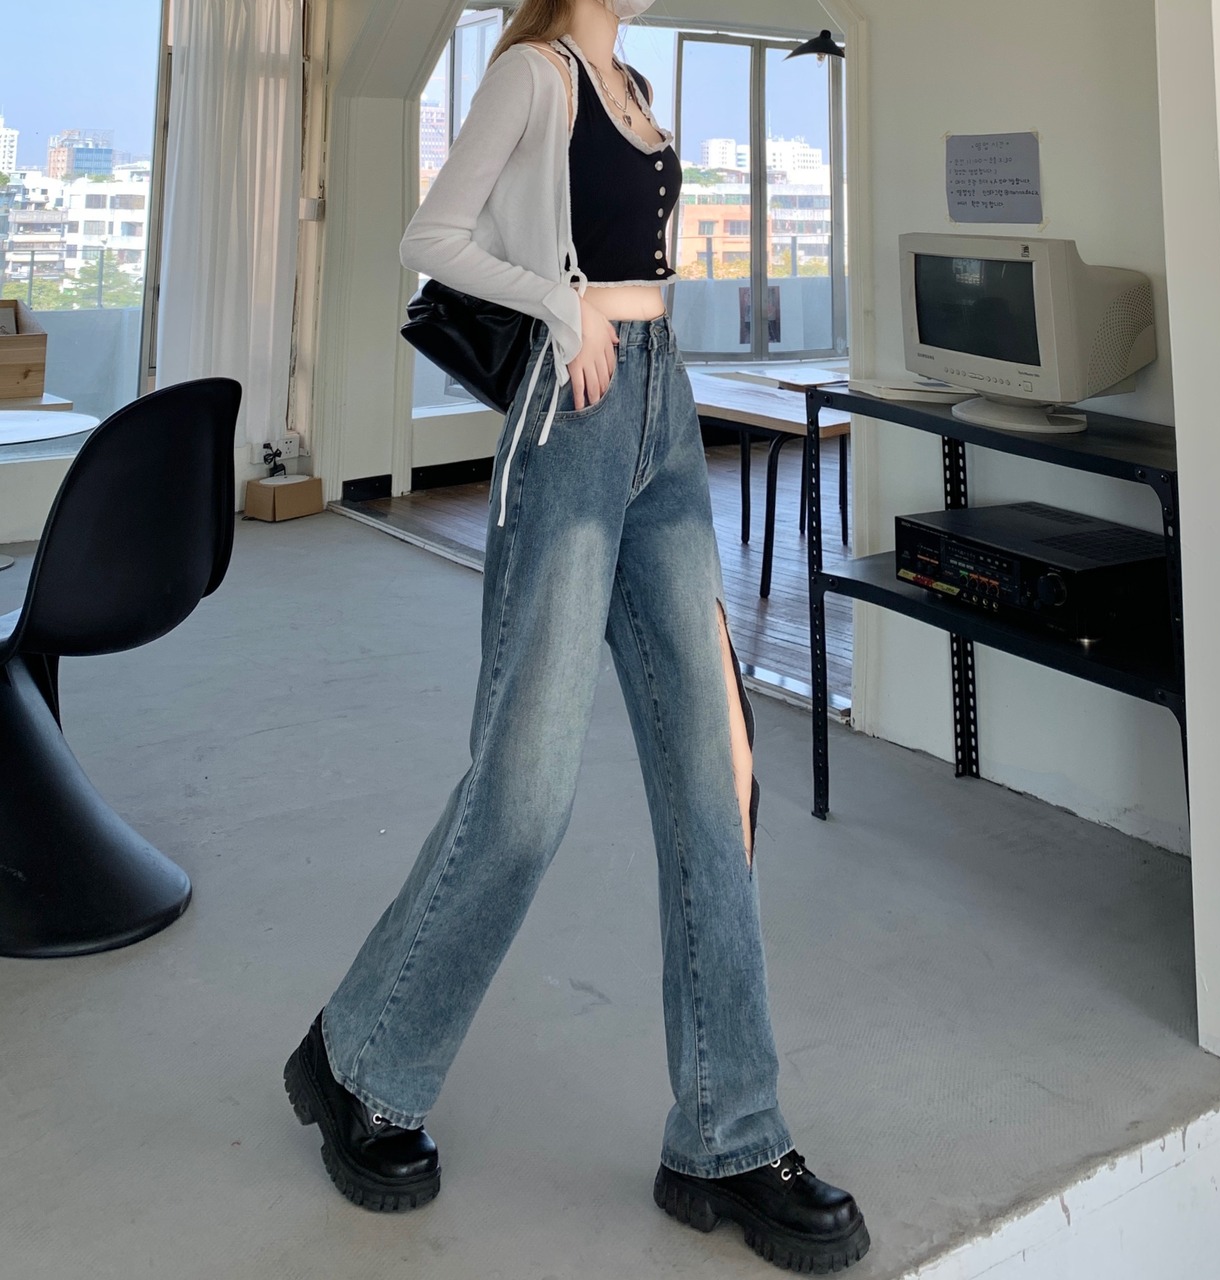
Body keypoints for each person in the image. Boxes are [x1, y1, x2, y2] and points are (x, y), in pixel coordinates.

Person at [283, 0, 871, 1270]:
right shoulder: (534, 75)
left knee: (715, 780)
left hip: (665, 415)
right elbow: (429, 237)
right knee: (526, 789)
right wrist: (559, 302)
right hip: (571, 421)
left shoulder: (634, 86)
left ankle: (726, 1130)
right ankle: (359, 1060)